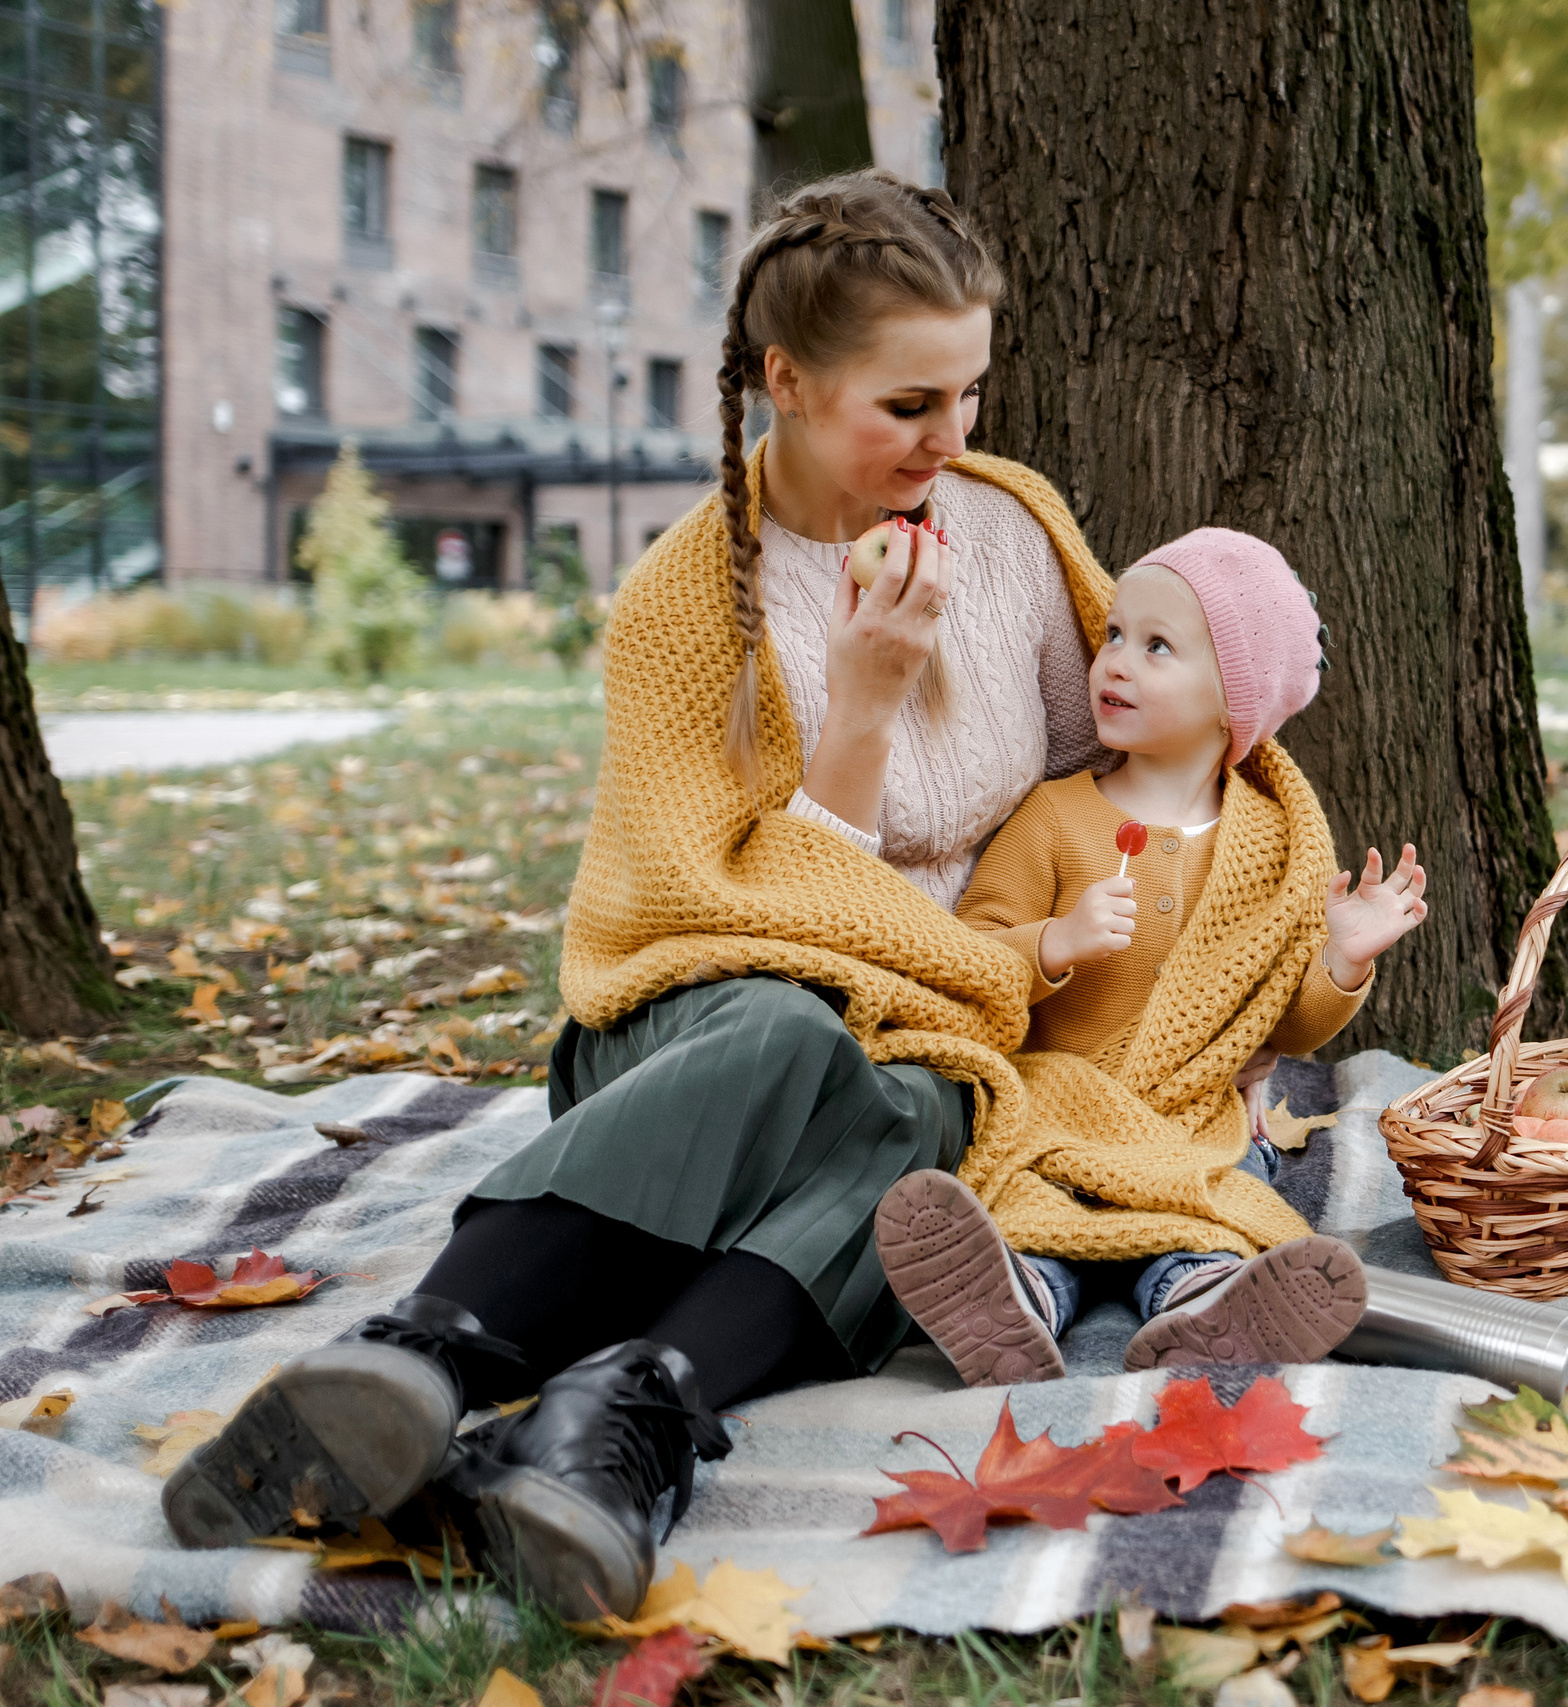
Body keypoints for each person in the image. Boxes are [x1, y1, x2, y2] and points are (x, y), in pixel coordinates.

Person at [156, 169, 1283, 1622]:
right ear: (788, 380)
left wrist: (1165, 944)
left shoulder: (1009, 530)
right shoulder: (696, 595)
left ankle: (616, 1423)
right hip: (700, 1014)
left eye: (971, 395)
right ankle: (421, 1353)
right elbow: (712, 893)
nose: (951, 440)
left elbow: (1106, 769)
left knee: (926, 1122)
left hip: (933, 1021)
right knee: (803, 1035)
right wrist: (865, 708)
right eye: (908, 405)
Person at [877, 530, 1428, 1384]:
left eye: (1157, 646)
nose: (1116, 664)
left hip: (1189, 1117)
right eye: (1113, 637)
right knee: (1032, 1202)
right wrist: (1052, 943)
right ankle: (1013, 1301)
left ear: (1230, 702)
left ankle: (1204, 1301)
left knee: (1199, 1202)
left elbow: (1283, 1023)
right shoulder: (1056, 816)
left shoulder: (1273, 847)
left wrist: (1341, 960)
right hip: (1059, 1103)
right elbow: (973, 954)